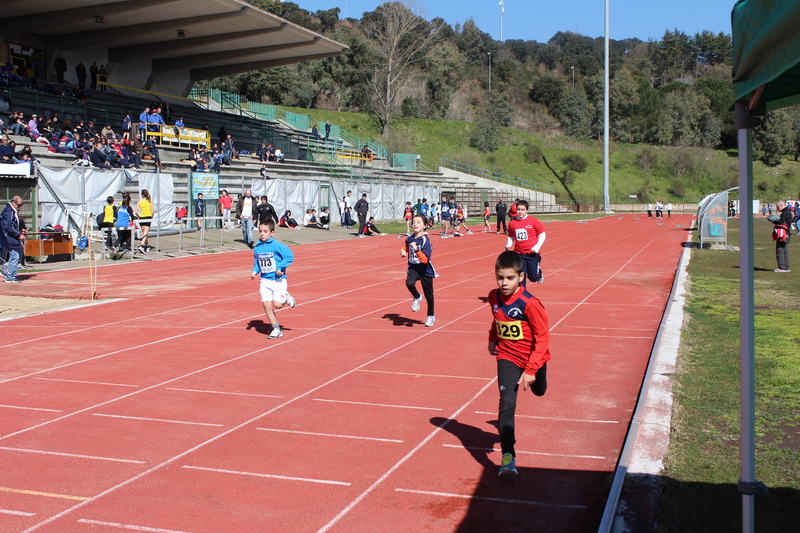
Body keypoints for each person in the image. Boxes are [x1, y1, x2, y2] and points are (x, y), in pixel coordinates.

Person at [487, 251, 551, 477]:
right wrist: (492, 338)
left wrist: (532, 368)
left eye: (509, 278)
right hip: (507, 357)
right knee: (507, 403)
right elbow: (496, 320)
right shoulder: (493, 296)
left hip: (533, 358)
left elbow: (543, 338)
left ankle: (537, 377)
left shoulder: (530, 304)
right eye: (500, 277)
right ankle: (508, 456)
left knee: (540, 391)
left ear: (521, 277)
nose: (504, 283)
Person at [250, 219, 297, 339]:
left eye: (265, 231)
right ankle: (276, 328)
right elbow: (257, 263)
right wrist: (255, 271)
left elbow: (289, 256)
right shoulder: (257, 247)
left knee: (277, 305)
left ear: (272, 232)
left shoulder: (277, 246)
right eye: (260, 231)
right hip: (265, 280)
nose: (262, 233)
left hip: (278, 280)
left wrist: (280, 266)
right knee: (266, 305)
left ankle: (285, 296)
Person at [401, 214, 438, 327]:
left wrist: (417, 250)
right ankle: (417, 296)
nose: (415, 224)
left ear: (425, 225)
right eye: (414, 222)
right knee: (409, 283)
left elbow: (426, 259)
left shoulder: (425, 241)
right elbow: (406, 246)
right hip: (414, 267)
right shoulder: (410, 238)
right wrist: (403, 250)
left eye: (418, 222)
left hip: (425, 270)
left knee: (429, 295)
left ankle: (430, 316)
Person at [505, 199, 546, 285]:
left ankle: (539, 274)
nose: (520, 212)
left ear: (527, 210)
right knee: (521, 278)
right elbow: (511, 236)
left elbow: (542, 235)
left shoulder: (533, 221)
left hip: (532, 254)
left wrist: (536, 247)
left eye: (522, 210)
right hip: (519, 254)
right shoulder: (513, 223)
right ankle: (522, 295)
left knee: (533, 277)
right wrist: (509, 244)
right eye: (518, 209)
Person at [0, 195, 26, 283]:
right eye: (18, 205)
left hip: (10, 237)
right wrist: (19, 235)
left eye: (21, 205)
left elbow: (14, 224)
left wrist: (21, 229)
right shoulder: (9, 212)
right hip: (9, 238)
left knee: (16, 255)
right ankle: (10, 277)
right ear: (13, 202)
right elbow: (8, 227)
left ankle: (5, 270)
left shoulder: (13, 211)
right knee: (15, 256)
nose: (20, 207)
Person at [770, 200, 792, 273]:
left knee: (780, 250)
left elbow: (781, 222)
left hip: (782, 234)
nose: (777, 208)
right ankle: (786, 267)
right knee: (785, 250)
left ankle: (782, 267)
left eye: (777, 207)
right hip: (787, 233)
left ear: (781, 205)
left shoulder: (785, 213)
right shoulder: (788, 212)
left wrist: (773, 220)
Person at [136, 189, 154, 254]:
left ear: (142, 195)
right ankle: (141, 245)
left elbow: (136, 212)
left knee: (144, 233)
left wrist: (139, 216)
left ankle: (147, 246)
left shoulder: (139, 202)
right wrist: (152, 217)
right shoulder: (150, 201)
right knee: (145, 233)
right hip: (148, 217)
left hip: (142, 217)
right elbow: (152, 212)